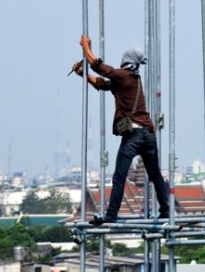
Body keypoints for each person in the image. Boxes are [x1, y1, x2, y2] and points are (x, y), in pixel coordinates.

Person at [72, 35, 170, 225]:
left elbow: (100, 67)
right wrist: (82, 73)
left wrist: (86, 47)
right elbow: (102, 84)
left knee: (119, 175)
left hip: (134, 135)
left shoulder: (123, 76)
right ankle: (166, 210)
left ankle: (111, 215)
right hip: (148, 134)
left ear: (126, 60)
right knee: (155, 173)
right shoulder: (130, 79)